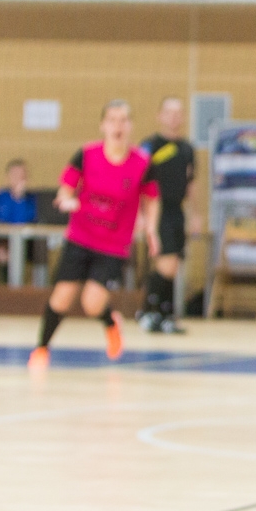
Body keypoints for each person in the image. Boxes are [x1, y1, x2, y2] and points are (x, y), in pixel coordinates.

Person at [29, 101, 160, 374]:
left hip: (113, 244)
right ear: (103, 125)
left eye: (123, 120)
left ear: (130, 125)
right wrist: (66, 199)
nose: (118, 126)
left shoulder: (142, 163)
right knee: (61, 298)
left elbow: (152, 199)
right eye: (112, 120)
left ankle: (110, 324)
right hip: (80, 236)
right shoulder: (87, 154)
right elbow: (66, 188)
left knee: (92, 303)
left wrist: (151, 228)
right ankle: (41, 349)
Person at [138, 97, 198, 335]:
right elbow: (138, 181)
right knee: (166, 262)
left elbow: (191, 183)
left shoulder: (187, 149)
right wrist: (140, 214)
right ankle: (154, 311)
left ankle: (158, 313)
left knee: (174, 264)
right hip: (157, 209)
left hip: (177, 210)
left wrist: (195, 214)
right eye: (169, 113)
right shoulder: (149, 146)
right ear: (160, 116)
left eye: (178, 113)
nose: (174, 117)